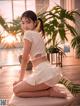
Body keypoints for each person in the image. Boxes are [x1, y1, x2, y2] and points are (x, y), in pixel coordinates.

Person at [13, 10, 66, 98]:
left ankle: (49, 92)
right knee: (19, 87)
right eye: (22, 23)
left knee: (16, 90)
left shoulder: (28, 34)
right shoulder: (38, 34)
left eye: (28, 22)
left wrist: (20, 80)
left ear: (35, 23)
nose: (25, 25)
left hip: (44, 74)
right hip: (50, 74)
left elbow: (25, 59)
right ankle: (49, 90)